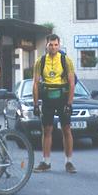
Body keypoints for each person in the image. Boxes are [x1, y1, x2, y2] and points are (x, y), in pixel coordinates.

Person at [32, 34, 77, 174]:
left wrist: (69, 103)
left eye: (55, 44)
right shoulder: (40, 61)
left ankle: (69, 162)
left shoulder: (66, 60)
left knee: (66, 129)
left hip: (62, 96)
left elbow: (71, 83)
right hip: (47, 98)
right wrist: (35, 104)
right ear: (46, 45)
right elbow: (35, 83)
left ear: (59, 45)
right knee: (47, 130)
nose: (53, 47)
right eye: (50, 45)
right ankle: (46, 162)